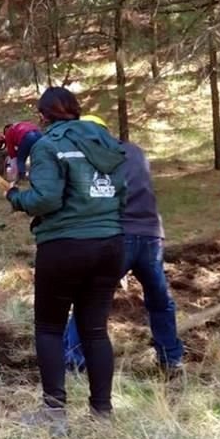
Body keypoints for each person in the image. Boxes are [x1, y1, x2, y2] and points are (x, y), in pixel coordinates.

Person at [7, 87, 127, 427]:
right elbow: (123, 196)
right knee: (94, 330)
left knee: (49, 327)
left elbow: (46, 200)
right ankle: (102, 411)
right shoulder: (107, 143)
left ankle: (54, 410)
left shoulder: (48, 145)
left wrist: (16, 198)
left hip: (64, 245)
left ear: (44, 115)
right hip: (110, 244)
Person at [63, 115, 185, 377]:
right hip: (152, 235)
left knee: (88, 299)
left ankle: (74, 360)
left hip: (119, 236)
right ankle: (171, 357)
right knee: (159, 299)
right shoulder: (135, 152)